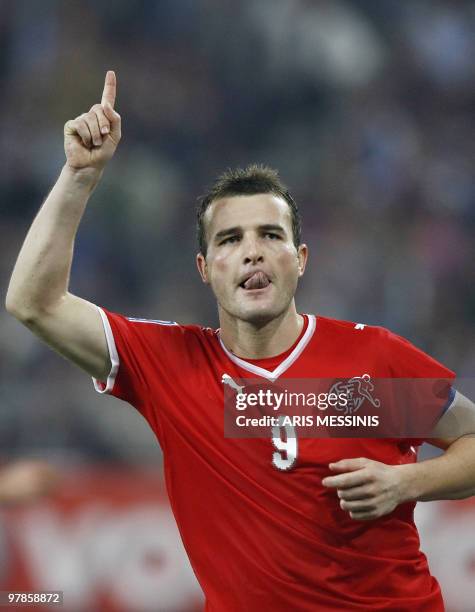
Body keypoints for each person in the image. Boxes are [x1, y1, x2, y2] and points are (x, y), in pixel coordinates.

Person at [5, 71, 475, 611]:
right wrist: (80, 176)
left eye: (270, 235)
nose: (252, 251)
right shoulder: (169, 365)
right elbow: (33, 302)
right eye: (231, 239)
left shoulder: (370, 363)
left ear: (299, 260)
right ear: (205, 269)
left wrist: (406, 482)